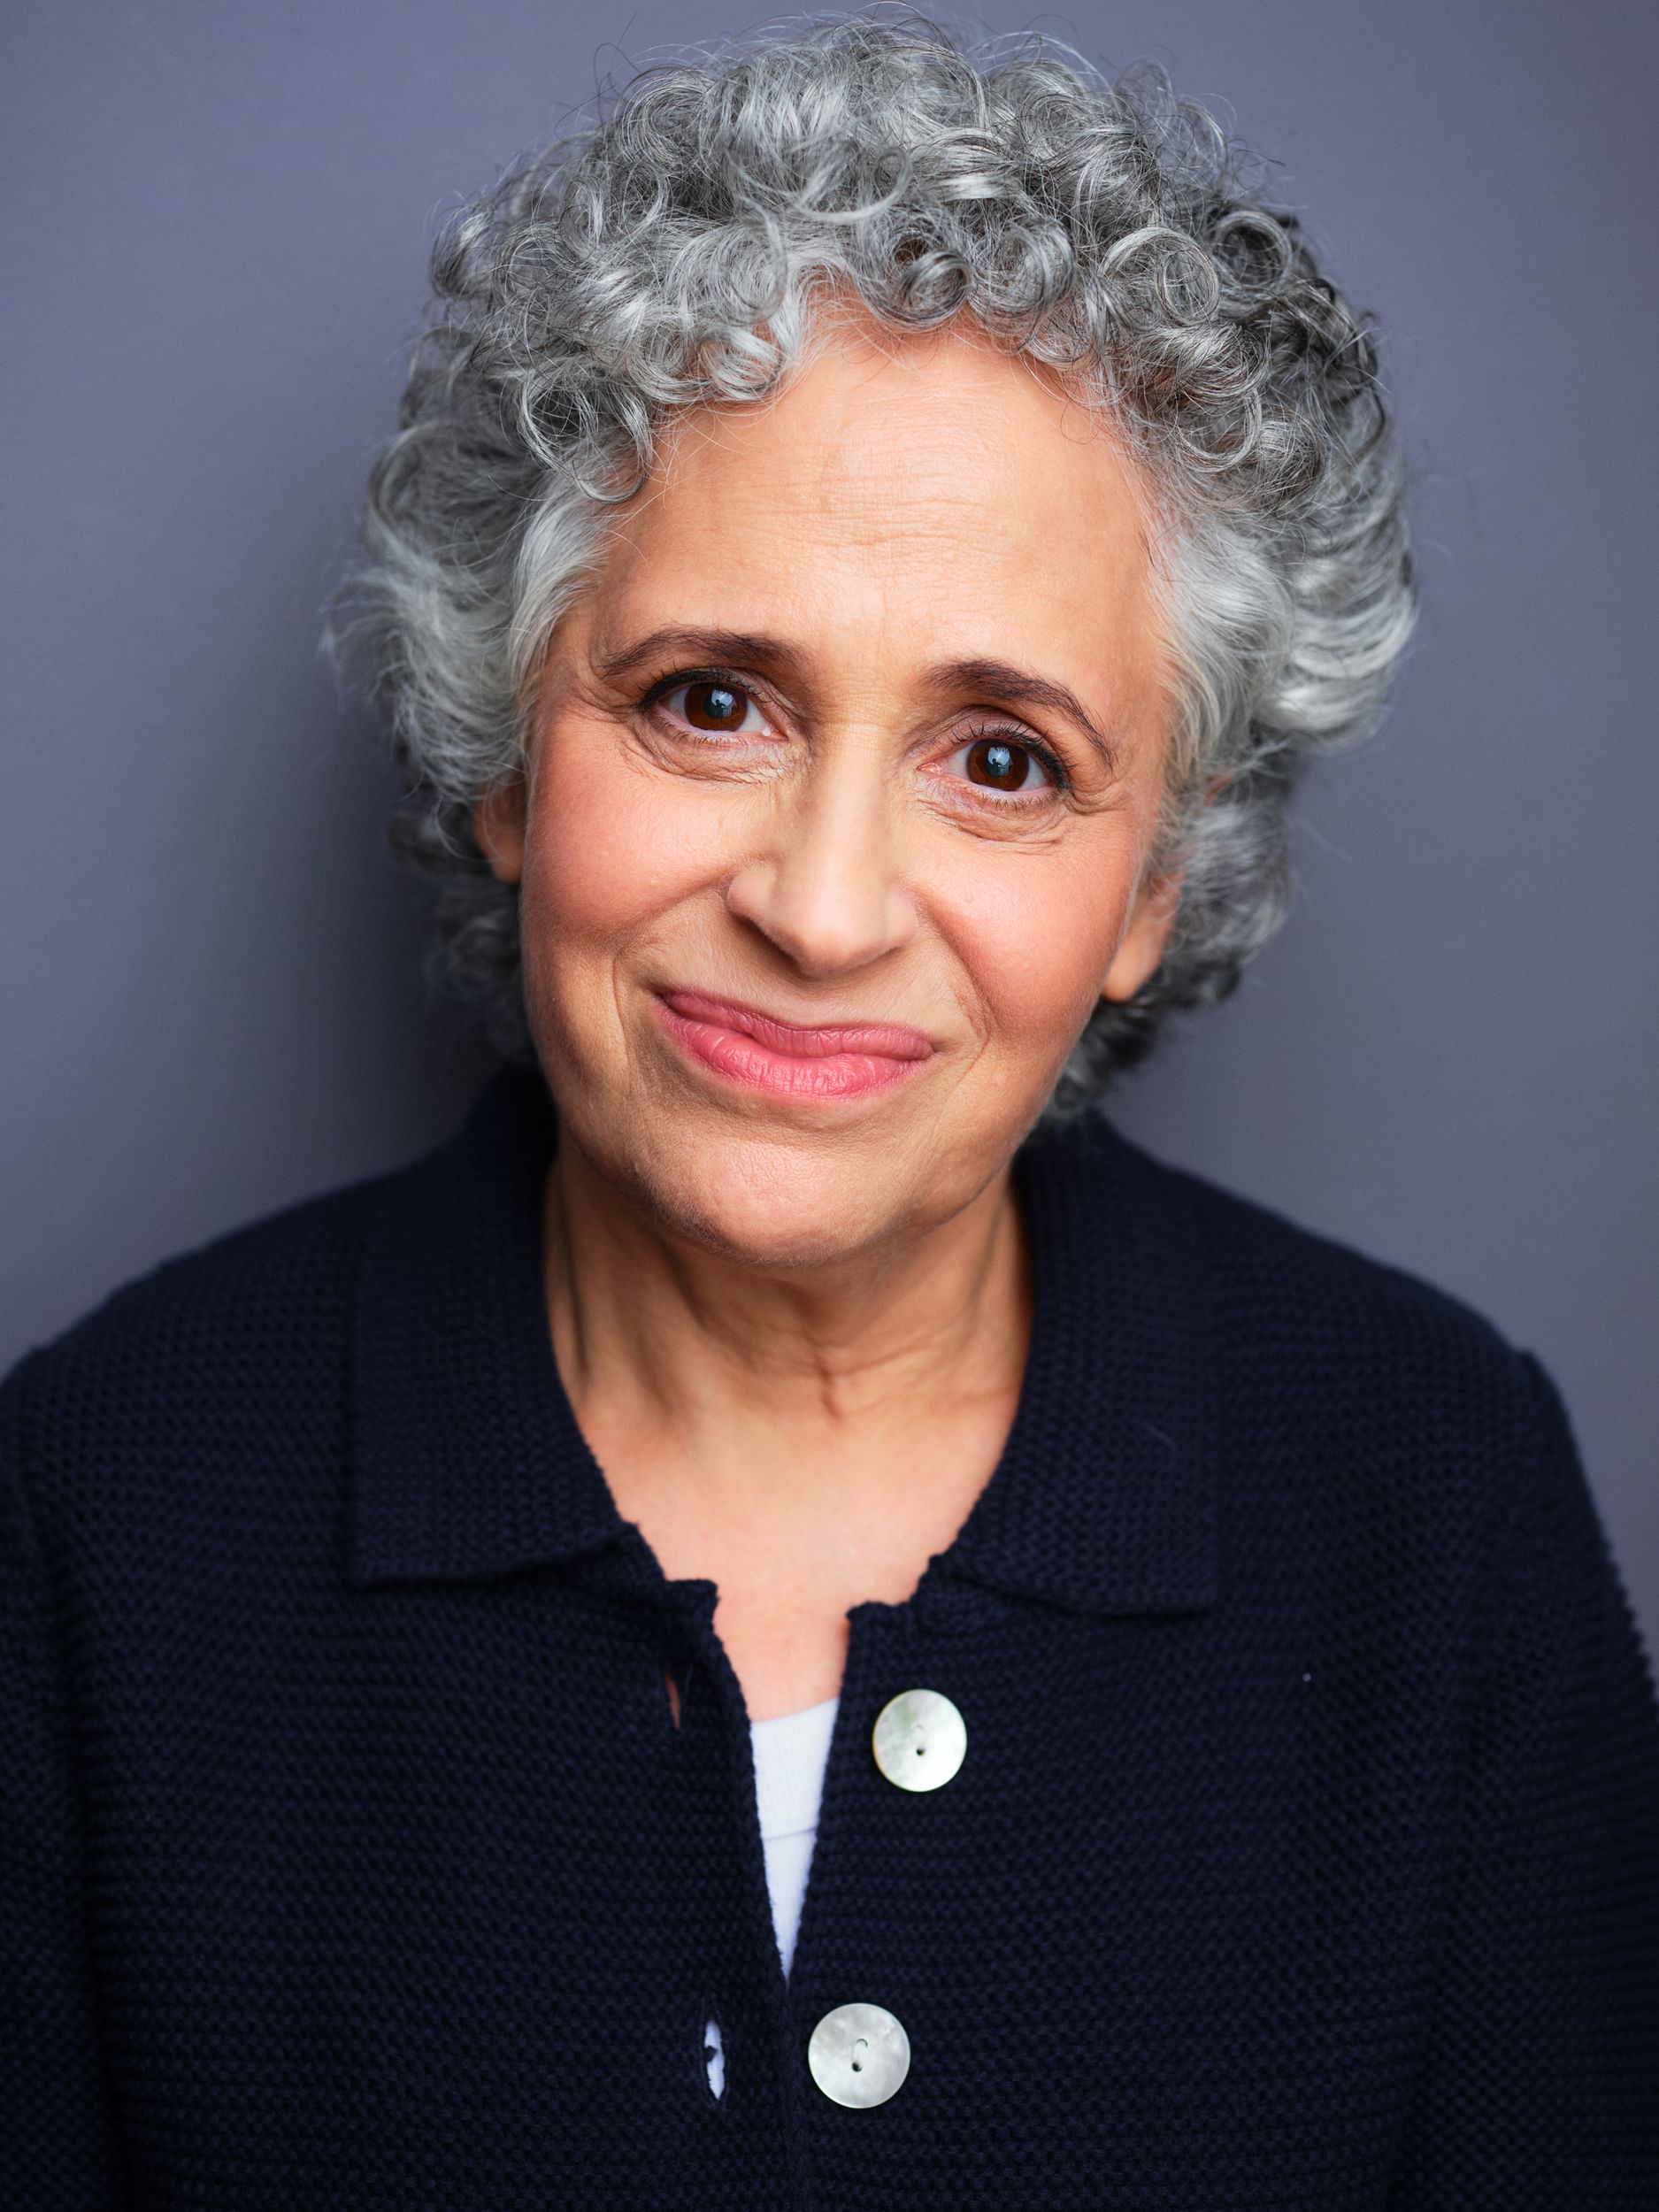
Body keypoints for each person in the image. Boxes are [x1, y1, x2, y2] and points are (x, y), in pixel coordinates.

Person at [4, 15, 1655, 2206]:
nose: (818, 902)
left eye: (1001, 757)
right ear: (507, 754)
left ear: (1153, 882)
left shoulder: (1436, 1497)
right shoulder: (95, 1507)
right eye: (709, 701)